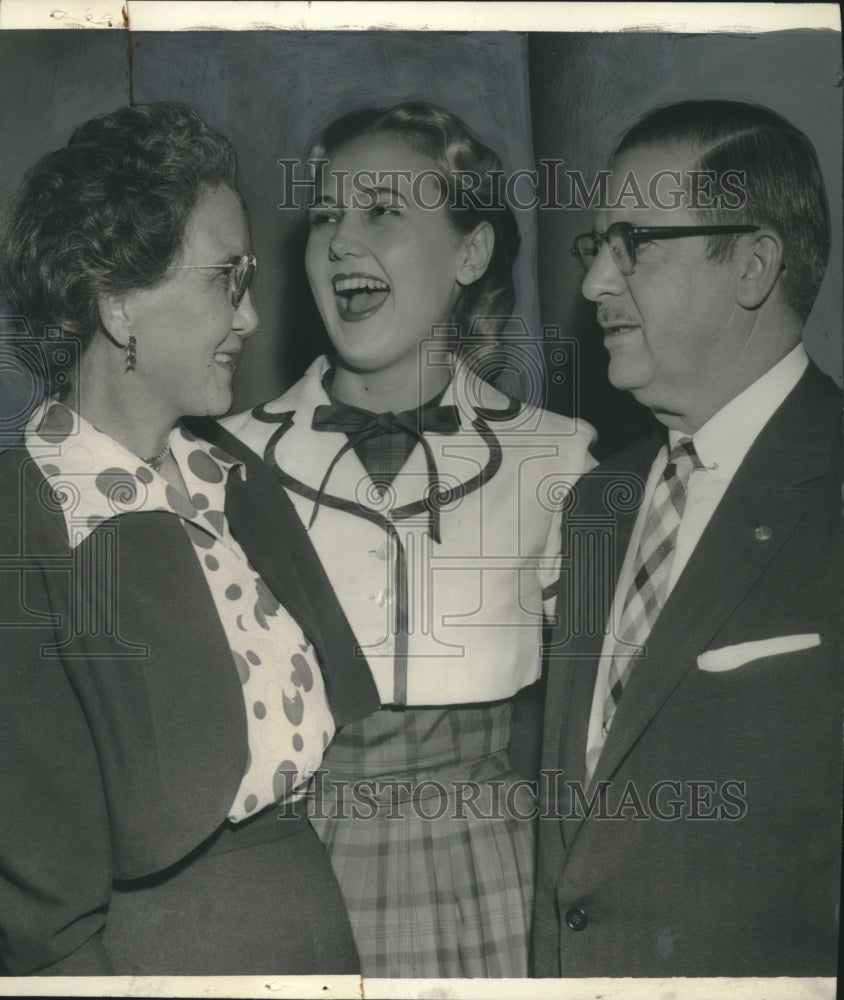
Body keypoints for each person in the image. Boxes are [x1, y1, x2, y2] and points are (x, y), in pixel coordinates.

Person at [0, 102, 377, 976]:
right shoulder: (26, 522)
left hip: (310, 923)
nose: (248, 317)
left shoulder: (231, 475)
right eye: (225, 279)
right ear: (119, 303)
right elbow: (42, 917)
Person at [224, 101, 596, 978]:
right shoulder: (224, 458)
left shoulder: (558, 455)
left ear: (472, 251)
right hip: (289, 860)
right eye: (325, 216)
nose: (342, 242)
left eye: (383, 210)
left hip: (490, 870)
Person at [532, 100, 842, 977]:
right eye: (595, 248)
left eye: (635, 243)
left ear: (752, 264)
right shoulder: (597, 500)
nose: (596, 283)